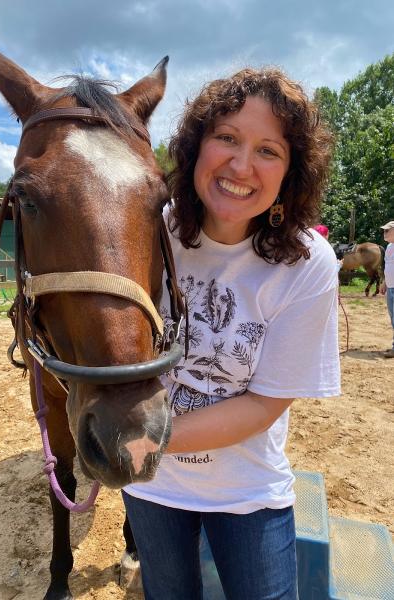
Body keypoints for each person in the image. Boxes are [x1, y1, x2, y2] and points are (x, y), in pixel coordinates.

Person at [123, 67, 340, 600]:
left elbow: (263, 406)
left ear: (290, 174)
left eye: (269, 150)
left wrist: (139, 440)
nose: (241, 165)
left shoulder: (308, 264)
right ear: (196, 148)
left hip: (247, 492)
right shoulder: (152, 233)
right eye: (226, 138)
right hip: (153, 486)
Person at [380, 220, 394, 358]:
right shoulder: (389, 247)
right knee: (393, 318)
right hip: (390, 287)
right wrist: (384, 283)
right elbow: (388, 267)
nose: (384, 232)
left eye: (387, 230)